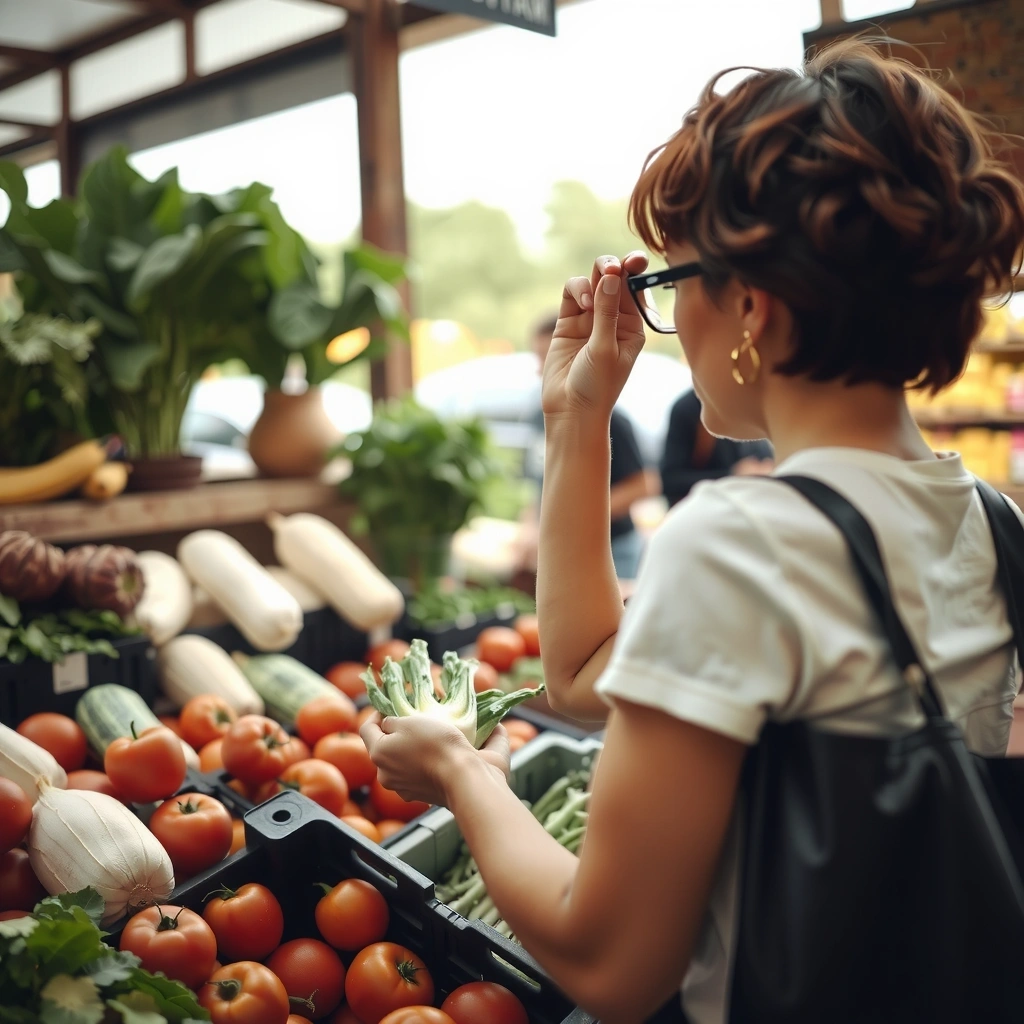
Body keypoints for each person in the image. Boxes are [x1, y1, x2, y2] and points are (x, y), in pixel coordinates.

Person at [361, 40, 1024, 1024]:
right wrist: (575, 413)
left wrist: (462, 771)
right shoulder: (993, 524)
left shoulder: (744, 539)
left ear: (749, 303)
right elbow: (586, 675)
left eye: (673, 284)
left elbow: (612, 964)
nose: (666, 313)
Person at [519, 314, 654, 579]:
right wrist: (530, 529)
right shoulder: (540, 417)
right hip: (563, 547)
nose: (540, 369)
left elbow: (644, 485)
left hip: (612, 549)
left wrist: (576, 515)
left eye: (547, 358)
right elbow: (540, 482)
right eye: (537, 358)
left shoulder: (609, 418)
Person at [660, 388, 773, 506]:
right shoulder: (688, 409)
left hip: (748, 506)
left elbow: (764, 459)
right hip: (703, 512)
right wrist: (732, 476)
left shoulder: (749, 403)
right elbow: (669, 481)